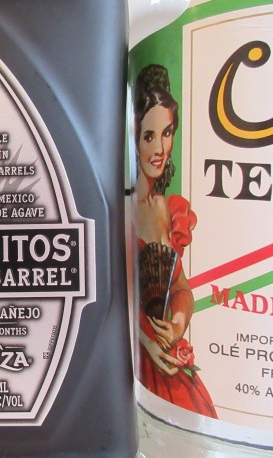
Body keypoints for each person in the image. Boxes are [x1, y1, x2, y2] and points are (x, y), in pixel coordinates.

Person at [133, 64, 217, 419]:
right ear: (133, 137)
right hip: (135, 358)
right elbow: (107, 295)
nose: (159, 149)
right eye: (148, 136)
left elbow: (180, 287)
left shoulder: (172, 209)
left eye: (166, 133)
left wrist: (179, 322)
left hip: (167, 356)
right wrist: (146, 342)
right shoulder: (119, 208)